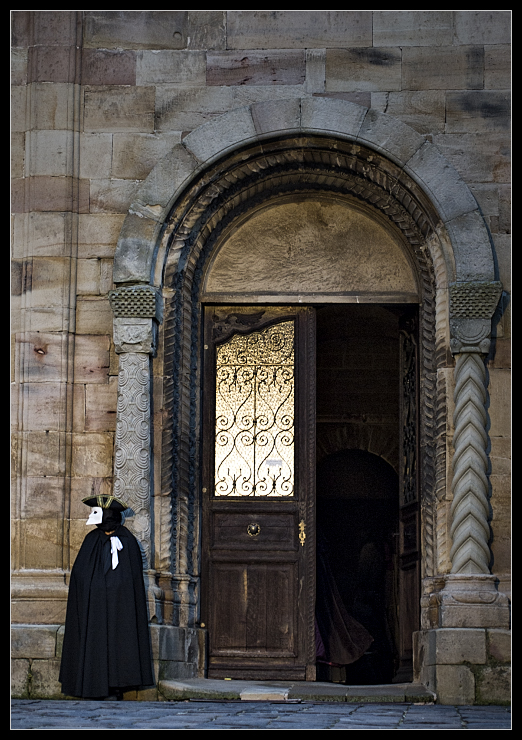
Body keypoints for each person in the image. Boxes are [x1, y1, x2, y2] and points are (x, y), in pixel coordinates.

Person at [59, 494, 154, 700]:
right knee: (94, 641)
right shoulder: (91, 540)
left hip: (120, 606)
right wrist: (93, 589)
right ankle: (89, 684)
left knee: (118, 642)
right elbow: (80, 574)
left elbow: (132, 579)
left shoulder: (127, 541)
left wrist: (115, 589)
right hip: (93, 606)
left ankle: (116, 686)